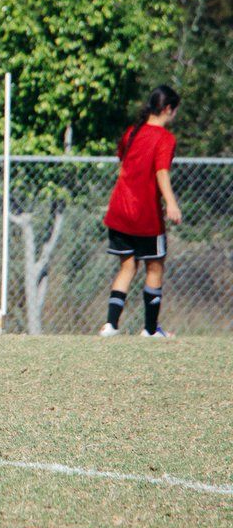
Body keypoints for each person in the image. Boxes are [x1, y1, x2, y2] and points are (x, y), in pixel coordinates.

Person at [99, 85, 181, 338]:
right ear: (167, 109)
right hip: (146, 215)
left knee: (127, 267)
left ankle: (111, 325)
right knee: (155, 268)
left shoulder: (132, 132)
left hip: (119, 211)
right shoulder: (165, 138)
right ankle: (149, 329)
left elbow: (123, 160)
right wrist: (171, 202)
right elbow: (161, 172)